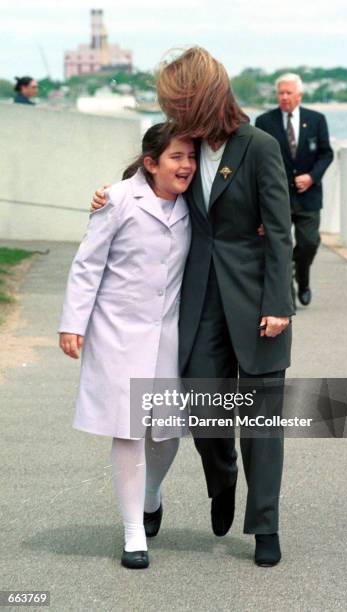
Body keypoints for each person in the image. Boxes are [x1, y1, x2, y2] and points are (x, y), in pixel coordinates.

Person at [92, 47, 294, 567]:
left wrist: (279, 304)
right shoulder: (184, 145)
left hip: (258, 307)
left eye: (178, 102)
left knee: (262, 423)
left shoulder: (261, 146)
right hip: (199, 303)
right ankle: (221, 479)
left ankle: (265, 526)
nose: (173, 114)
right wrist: (107, 196)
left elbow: (279, 231)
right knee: (205, 417)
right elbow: (147, 183)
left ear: (200, 97)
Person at [59, 123, 196, 570]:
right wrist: (72, 324)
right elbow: (87, 264)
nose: (187, 165)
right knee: (129, 429)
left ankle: (152, 494)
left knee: (167, 432)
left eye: (191, 157)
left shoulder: (193, 204)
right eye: (177, 157)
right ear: (152, 162)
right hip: (118, 333)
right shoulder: (117, 199)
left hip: (169, 335)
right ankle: (134, 531)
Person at [255, 73, 334, 306]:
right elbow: (259, 158)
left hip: (308, 195)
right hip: (277, 196)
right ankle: (286, 291)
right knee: (279, 245)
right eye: (281, 93)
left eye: (289, 93)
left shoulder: (316, 119)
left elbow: (326, 153)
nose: (285, 97)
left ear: (299, 95)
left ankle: (303, 277)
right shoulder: (264, 122)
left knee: (309, 242)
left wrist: (311, 177)